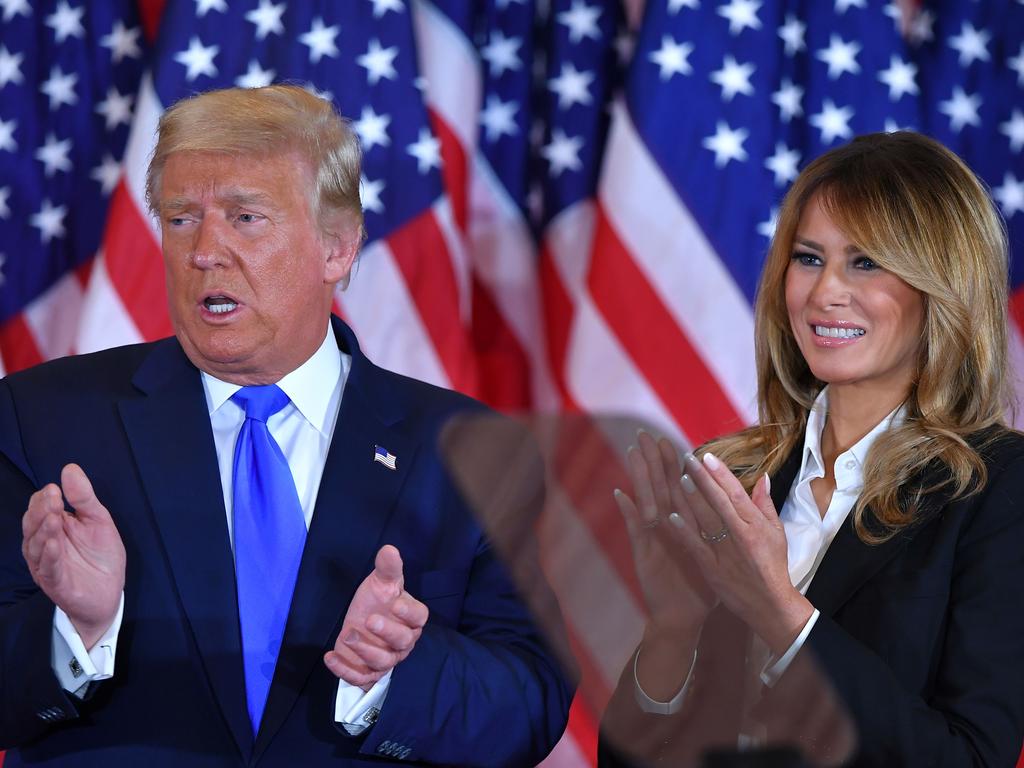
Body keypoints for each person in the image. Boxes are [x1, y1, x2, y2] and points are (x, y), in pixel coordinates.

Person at [0, 84, 572, 767]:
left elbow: (532, 704)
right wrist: (76, 628)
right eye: (181, 219)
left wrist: (390, 674)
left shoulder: (469, 452)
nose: (205, 250)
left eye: (245, 217)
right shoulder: (42, 419)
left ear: (337, 247)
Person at [600, 132, 1024, 767]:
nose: (825, 291)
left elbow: (970, 759)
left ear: (943, 283)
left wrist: (785, 619)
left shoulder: (998, 488)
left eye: (866, 262)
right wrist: (672, 630)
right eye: (807, 257)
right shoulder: (735, 474)